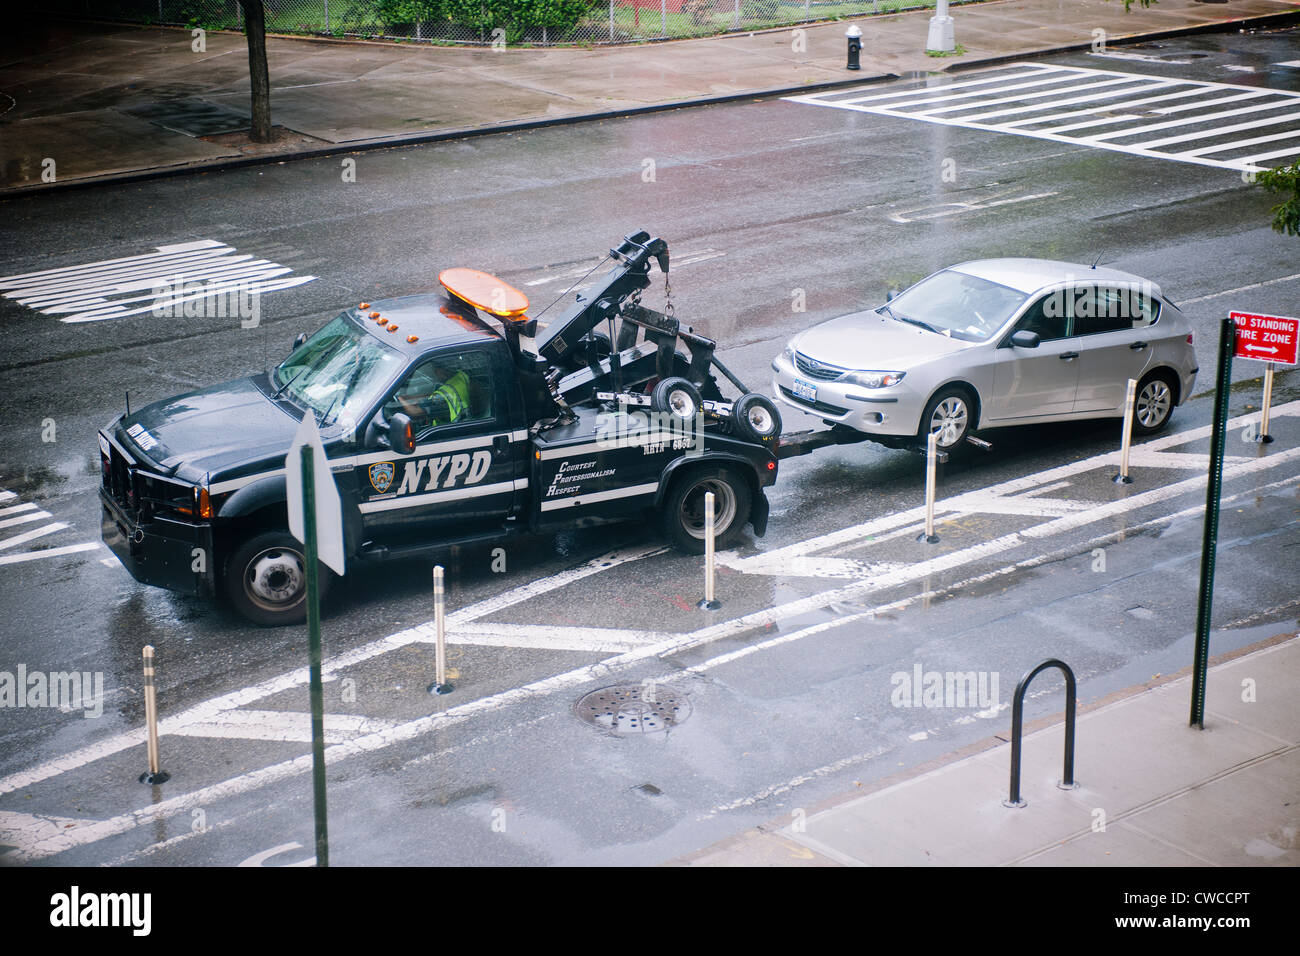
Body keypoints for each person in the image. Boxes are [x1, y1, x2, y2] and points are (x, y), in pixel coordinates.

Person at [395, 364, 471, 429]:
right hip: (465, 423)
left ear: (441, 370)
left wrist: (399, 398)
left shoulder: (440, 399)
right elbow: (431, 395)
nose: (435, 373)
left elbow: (416, 413)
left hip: (448, 435)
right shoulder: (461, 377)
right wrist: (409, 398)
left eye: (435, 370)